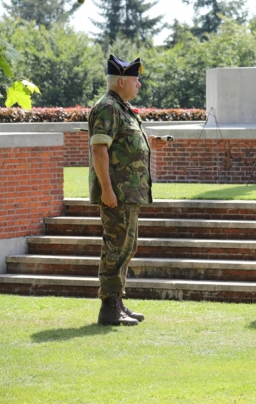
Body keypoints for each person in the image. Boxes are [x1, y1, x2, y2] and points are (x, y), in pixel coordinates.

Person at [89, 54, 151, 326]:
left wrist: (150, 143)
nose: (139, 84)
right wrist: (107, 190)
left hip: (129, 193)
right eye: (136, 80)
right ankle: (109, 307)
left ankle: (117, 300)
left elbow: (123, 145)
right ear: (122, 81)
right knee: (115, 247)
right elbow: (99, 149)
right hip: (117, 194)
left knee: (127, 247)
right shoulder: (108, 107)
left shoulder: (121, 107)